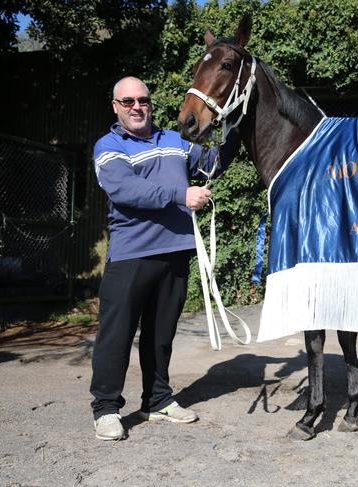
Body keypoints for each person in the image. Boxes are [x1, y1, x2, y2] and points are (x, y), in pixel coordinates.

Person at [90, 76, 240, 440]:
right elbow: (126, 189)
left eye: (143, 100)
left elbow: (212, 163)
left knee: (161, 335)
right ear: (116, 107)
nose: (137, 107)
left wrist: (236, 126)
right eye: (128, 101)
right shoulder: (108, 146)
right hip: (132, 254)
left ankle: (157, 401)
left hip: (174, 251)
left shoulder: (175, 140)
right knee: (117, 334)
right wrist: (180, 194)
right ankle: (106, 409)